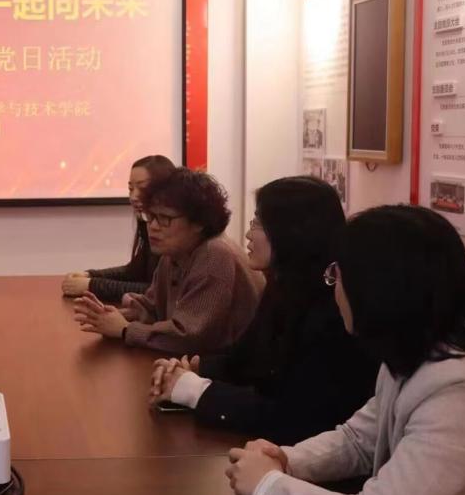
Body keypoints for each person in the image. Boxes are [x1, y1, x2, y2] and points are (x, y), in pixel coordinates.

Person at [226, 205, 465, 495]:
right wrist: (284, 459)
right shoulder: (413, 349)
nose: (334, 288)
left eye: (337, 275)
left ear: (375, 288)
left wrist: (266, 485)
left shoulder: (461, 387)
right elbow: (359, 441)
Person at [149, 177, 378, 444]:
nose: (248, 234)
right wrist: (193, 368)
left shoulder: (329, 308)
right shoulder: (284, 285)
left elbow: (292, 416)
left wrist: (193, 389)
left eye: (258, 223)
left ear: (291, 231)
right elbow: (246, 359)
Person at [73, 168, 263, 354]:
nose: (153, 226)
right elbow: (154, 308)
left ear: (198, 222)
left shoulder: (215, 255)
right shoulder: (173, 253)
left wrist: (124, 329)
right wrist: (113, 315)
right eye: (151, 217)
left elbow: (188, 336)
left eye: (165, 218)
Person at [61, 155, 175, 302]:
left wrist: (91, 285)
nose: (133, 197)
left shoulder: (174, 235)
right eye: (130, 189)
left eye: (142, 188)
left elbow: (155, 291)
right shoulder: (146, 223)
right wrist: (90, 275)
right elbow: (133, 271)